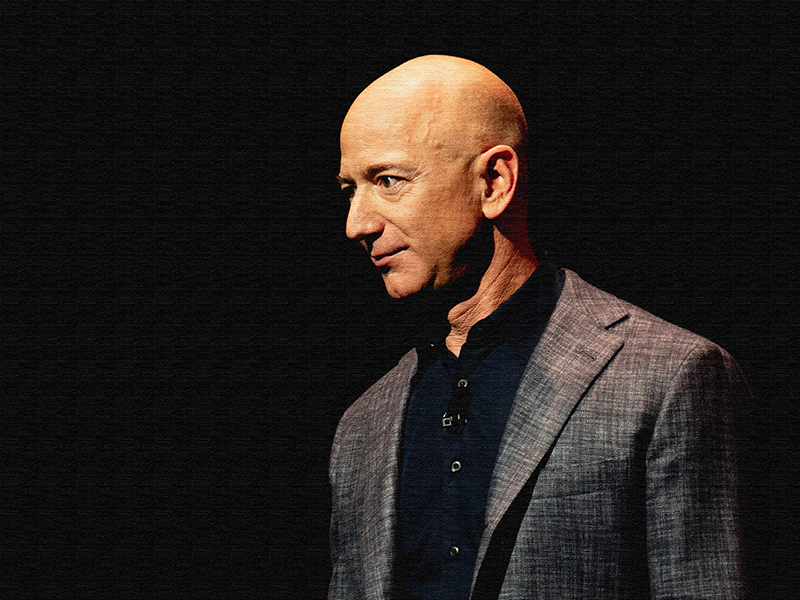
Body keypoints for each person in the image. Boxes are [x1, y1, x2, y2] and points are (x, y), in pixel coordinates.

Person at [329, 55, 752, 600]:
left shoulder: (670, 378)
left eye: (388, 180)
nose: (357, 224)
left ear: (495, 181)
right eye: (350, 189)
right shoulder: (362, 426)